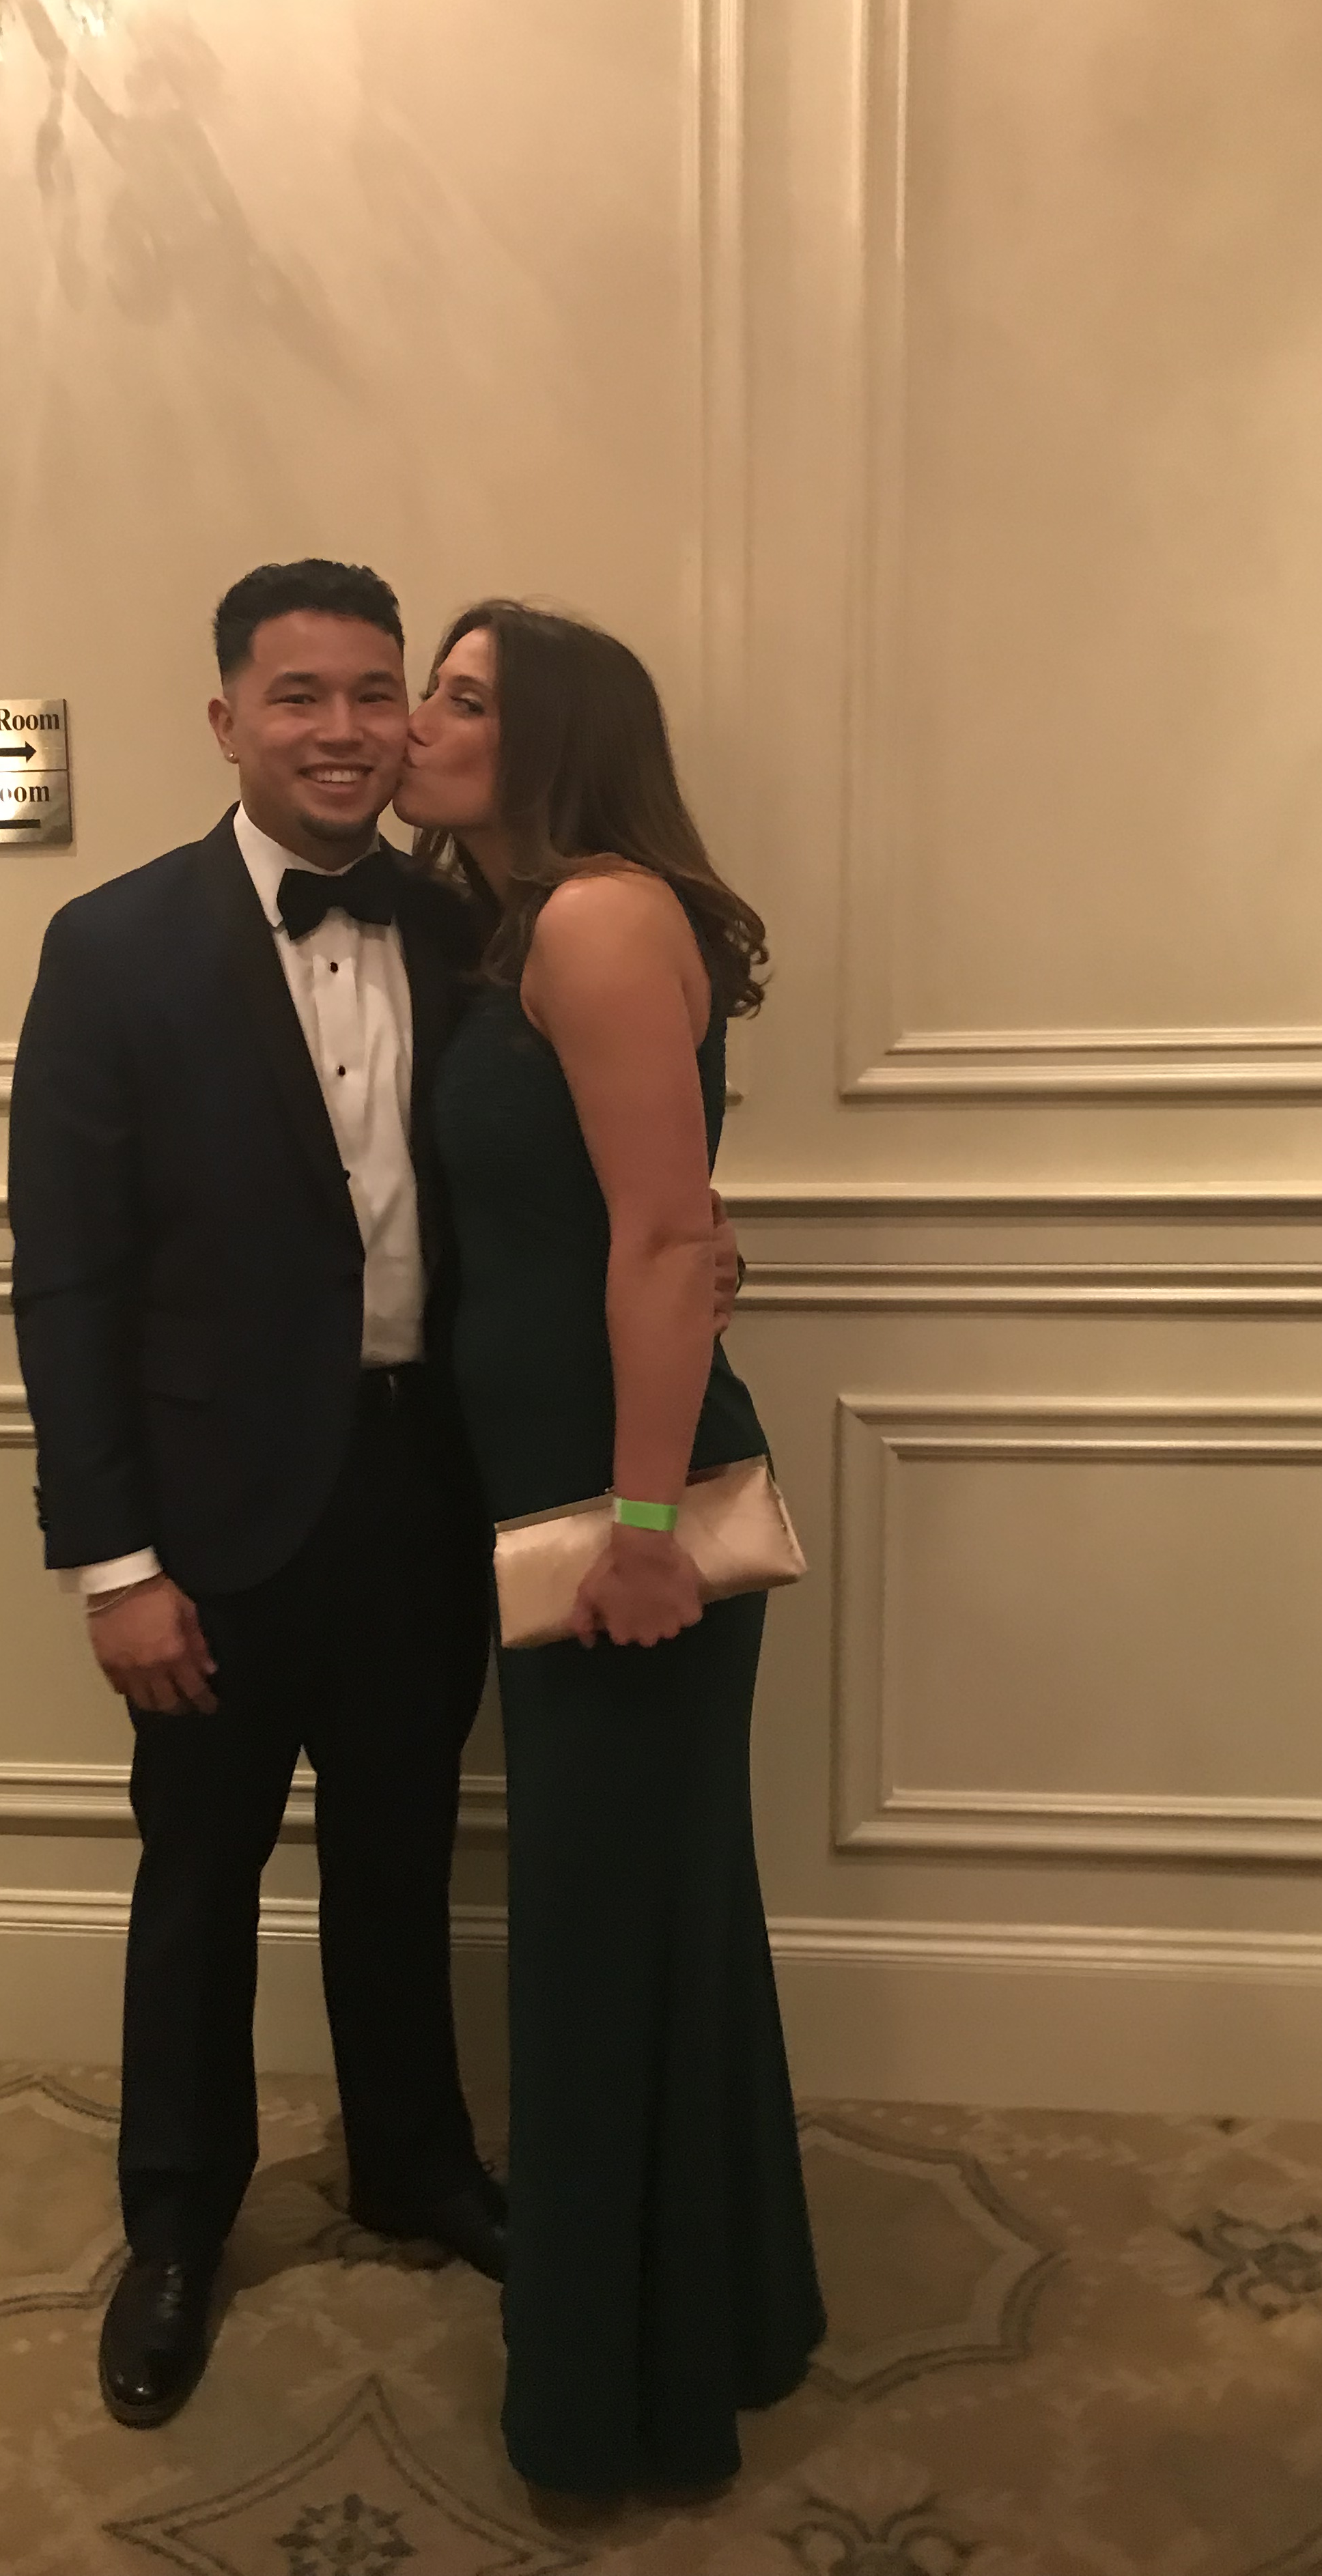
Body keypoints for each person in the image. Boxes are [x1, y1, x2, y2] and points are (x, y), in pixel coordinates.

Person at [7, 561, 509, 2432]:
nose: (344, 729)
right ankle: (176, 2223)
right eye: (300, 695)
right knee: (199, 1876)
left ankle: (414, 2162)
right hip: (209, 1523)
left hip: (424, 1491)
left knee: (400, 1856)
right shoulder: (110, 946)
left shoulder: (472, 933)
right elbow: (68, 1277)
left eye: (377, 691)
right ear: (226, 719)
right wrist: (114, 1563)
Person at [393, 599, 824, 2496]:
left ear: (556, 736)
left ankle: (617, 2403)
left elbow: (660, 1237)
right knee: (653, 1924)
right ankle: (717, 2323)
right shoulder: (520, 927)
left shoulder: (596, 916)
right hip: (559, 1492)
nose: (422, 723)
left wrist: (645, 1530)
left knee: (599, 1944)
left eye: (464, 699)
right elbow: (641, 1217)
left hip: (620, 1517)